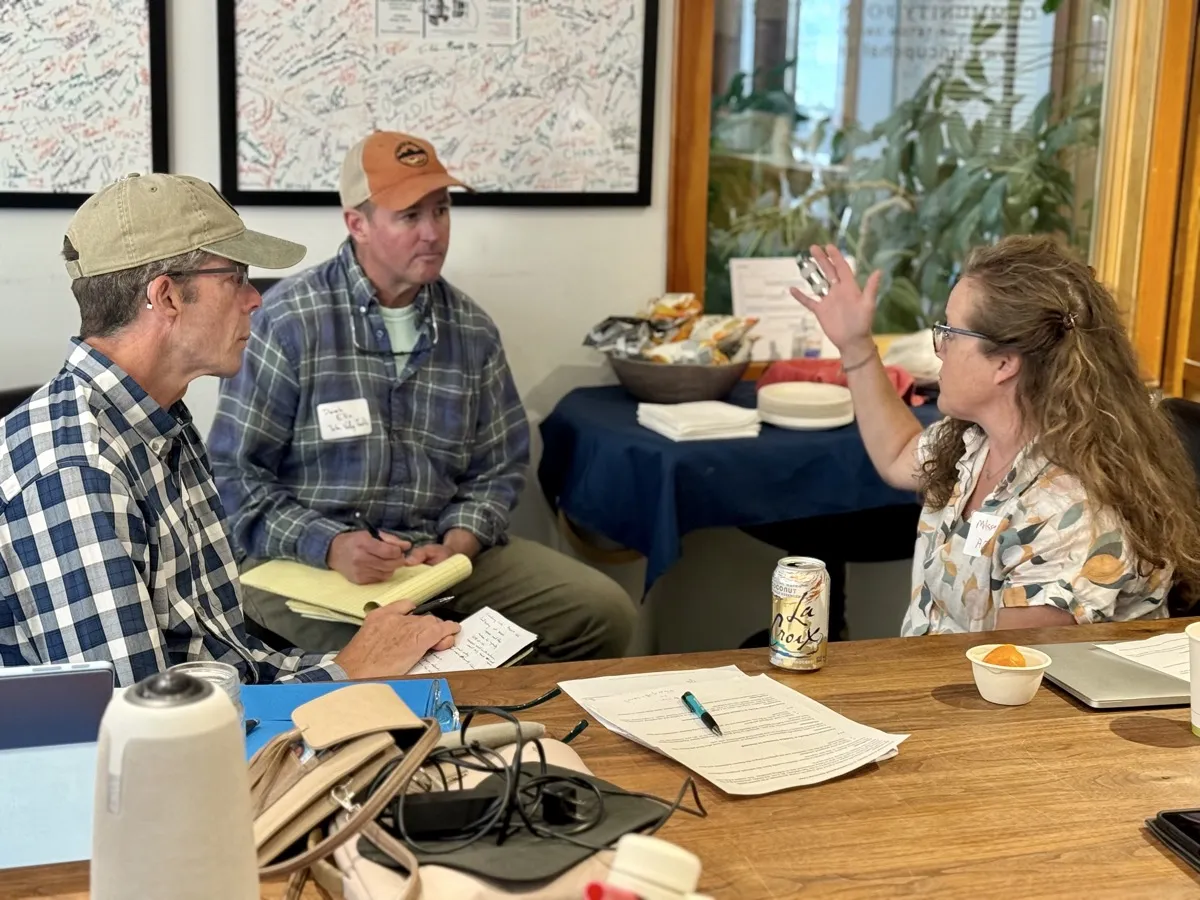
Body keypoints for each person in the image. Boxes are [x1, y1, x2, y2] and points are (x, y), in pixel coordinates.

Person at [0, 173, 459, 687]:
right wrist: (349, 671)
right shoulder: (78, 471)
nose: (254, 299)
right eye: (235, 278)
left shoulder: (158, 423)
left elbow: (230, 663)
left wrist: (370, 653)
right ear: (167, 297)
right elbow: (142, 718)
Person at [208, 131, 636, 661]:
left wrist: (461, 540)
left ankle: (495, 706)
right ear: (357, 224)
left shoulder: (471, 330)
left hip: (436, 554)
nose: (432, 233)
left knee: (604, 613)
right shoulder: (287, 321)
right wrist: (330, 544)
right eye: (410, 216)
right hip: (305, 562)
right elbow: (234, 475)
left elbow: (499, 466)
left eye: (441, 210)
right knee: (398, 660)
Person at [792, 235, 1200, 635]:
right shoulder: (976, 439)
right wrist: (855, 344)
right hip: (939, 673)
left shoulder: (1068, 513)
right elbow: (899, 454)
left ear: (1005, 363)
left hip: (990, 679)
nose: (940, 348)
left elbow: (1013, 668)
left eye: (951, 332)